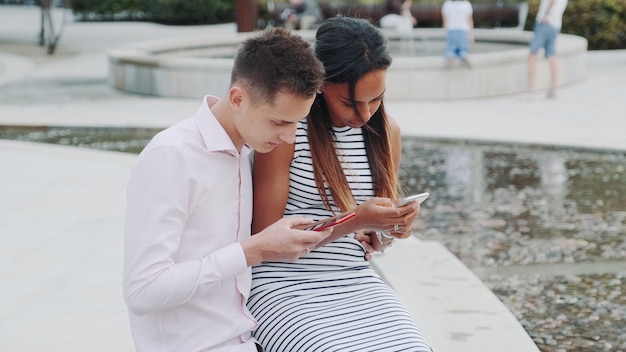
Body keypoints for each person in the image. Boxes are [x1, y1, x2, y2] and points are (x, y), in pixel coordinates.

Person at [122, 28, 328, 352]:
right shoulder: (172, 156)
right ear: (237, 99)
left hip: (245, 337)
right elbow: (142, 291)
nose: (290, 138)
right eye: (279, 122)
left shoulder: (246, 150)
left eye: (297, 124)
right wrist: (253, 250)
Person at [247, 16, 432, 352]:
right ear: (320, 83)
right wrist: (355, 220)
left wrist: (391, 228)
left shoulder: (385, 132)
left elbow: (372, 241)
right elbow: (266, 239)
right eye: (350, 103)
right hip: (283, 284)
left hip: (354, 279)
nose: (365, 115)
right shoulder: (289, 131)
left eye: (376, 99)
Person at [527, 0, 568, 99]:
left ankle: (531, 89)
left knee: (532, 53)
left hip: (546, 23)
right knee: (551, 56)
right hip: (555, 24)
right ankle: (553, 90)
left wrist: (546, 14)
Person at [441, 0, 474, 68]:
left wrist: (446, 32)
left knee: (450, 48)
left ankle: (450, 55)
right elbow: (470, 20)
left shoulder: (447, 4)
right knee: (463, 49)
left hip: (451, 30)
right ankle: (464, 55)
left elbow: (445, 20)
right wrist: (471, 34)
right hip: (463, 30)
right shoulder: (466, 4)